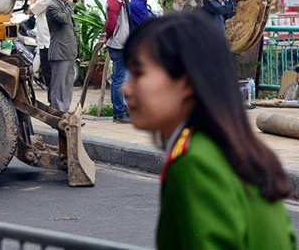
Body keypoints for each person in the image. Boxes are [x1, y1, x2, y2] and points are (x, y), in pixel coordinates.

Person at [122, 13, 296, 249]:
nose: (126, 88)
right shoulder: (238, 148)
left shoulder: (196, 162)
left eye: (139, 73)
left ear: (185, 81)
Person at [103, 0, 132, 123]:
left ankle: (121, 111)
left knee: (122, 78)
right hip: (118, 45)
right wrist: (108, 36)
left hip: (121, 44)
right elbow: (111, 24)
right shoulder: (115, 0)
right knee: (119, 79)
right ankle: (119, 113)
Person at [46, 0, 77, 113]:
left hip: (68, 51)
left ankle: (65, 111)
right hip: (59, 52)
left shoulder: (63, 5)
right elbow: (63, 19)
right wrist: (70, 3)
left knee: (68, 84)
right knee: (59, 86)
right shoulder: (52, 6)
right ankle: (58, 113)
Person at [27, 0, 56, 95]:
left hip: (46, 41)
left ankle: (53, 101)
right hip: (52, 40)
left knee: (48, 73)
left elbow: (30, 10)